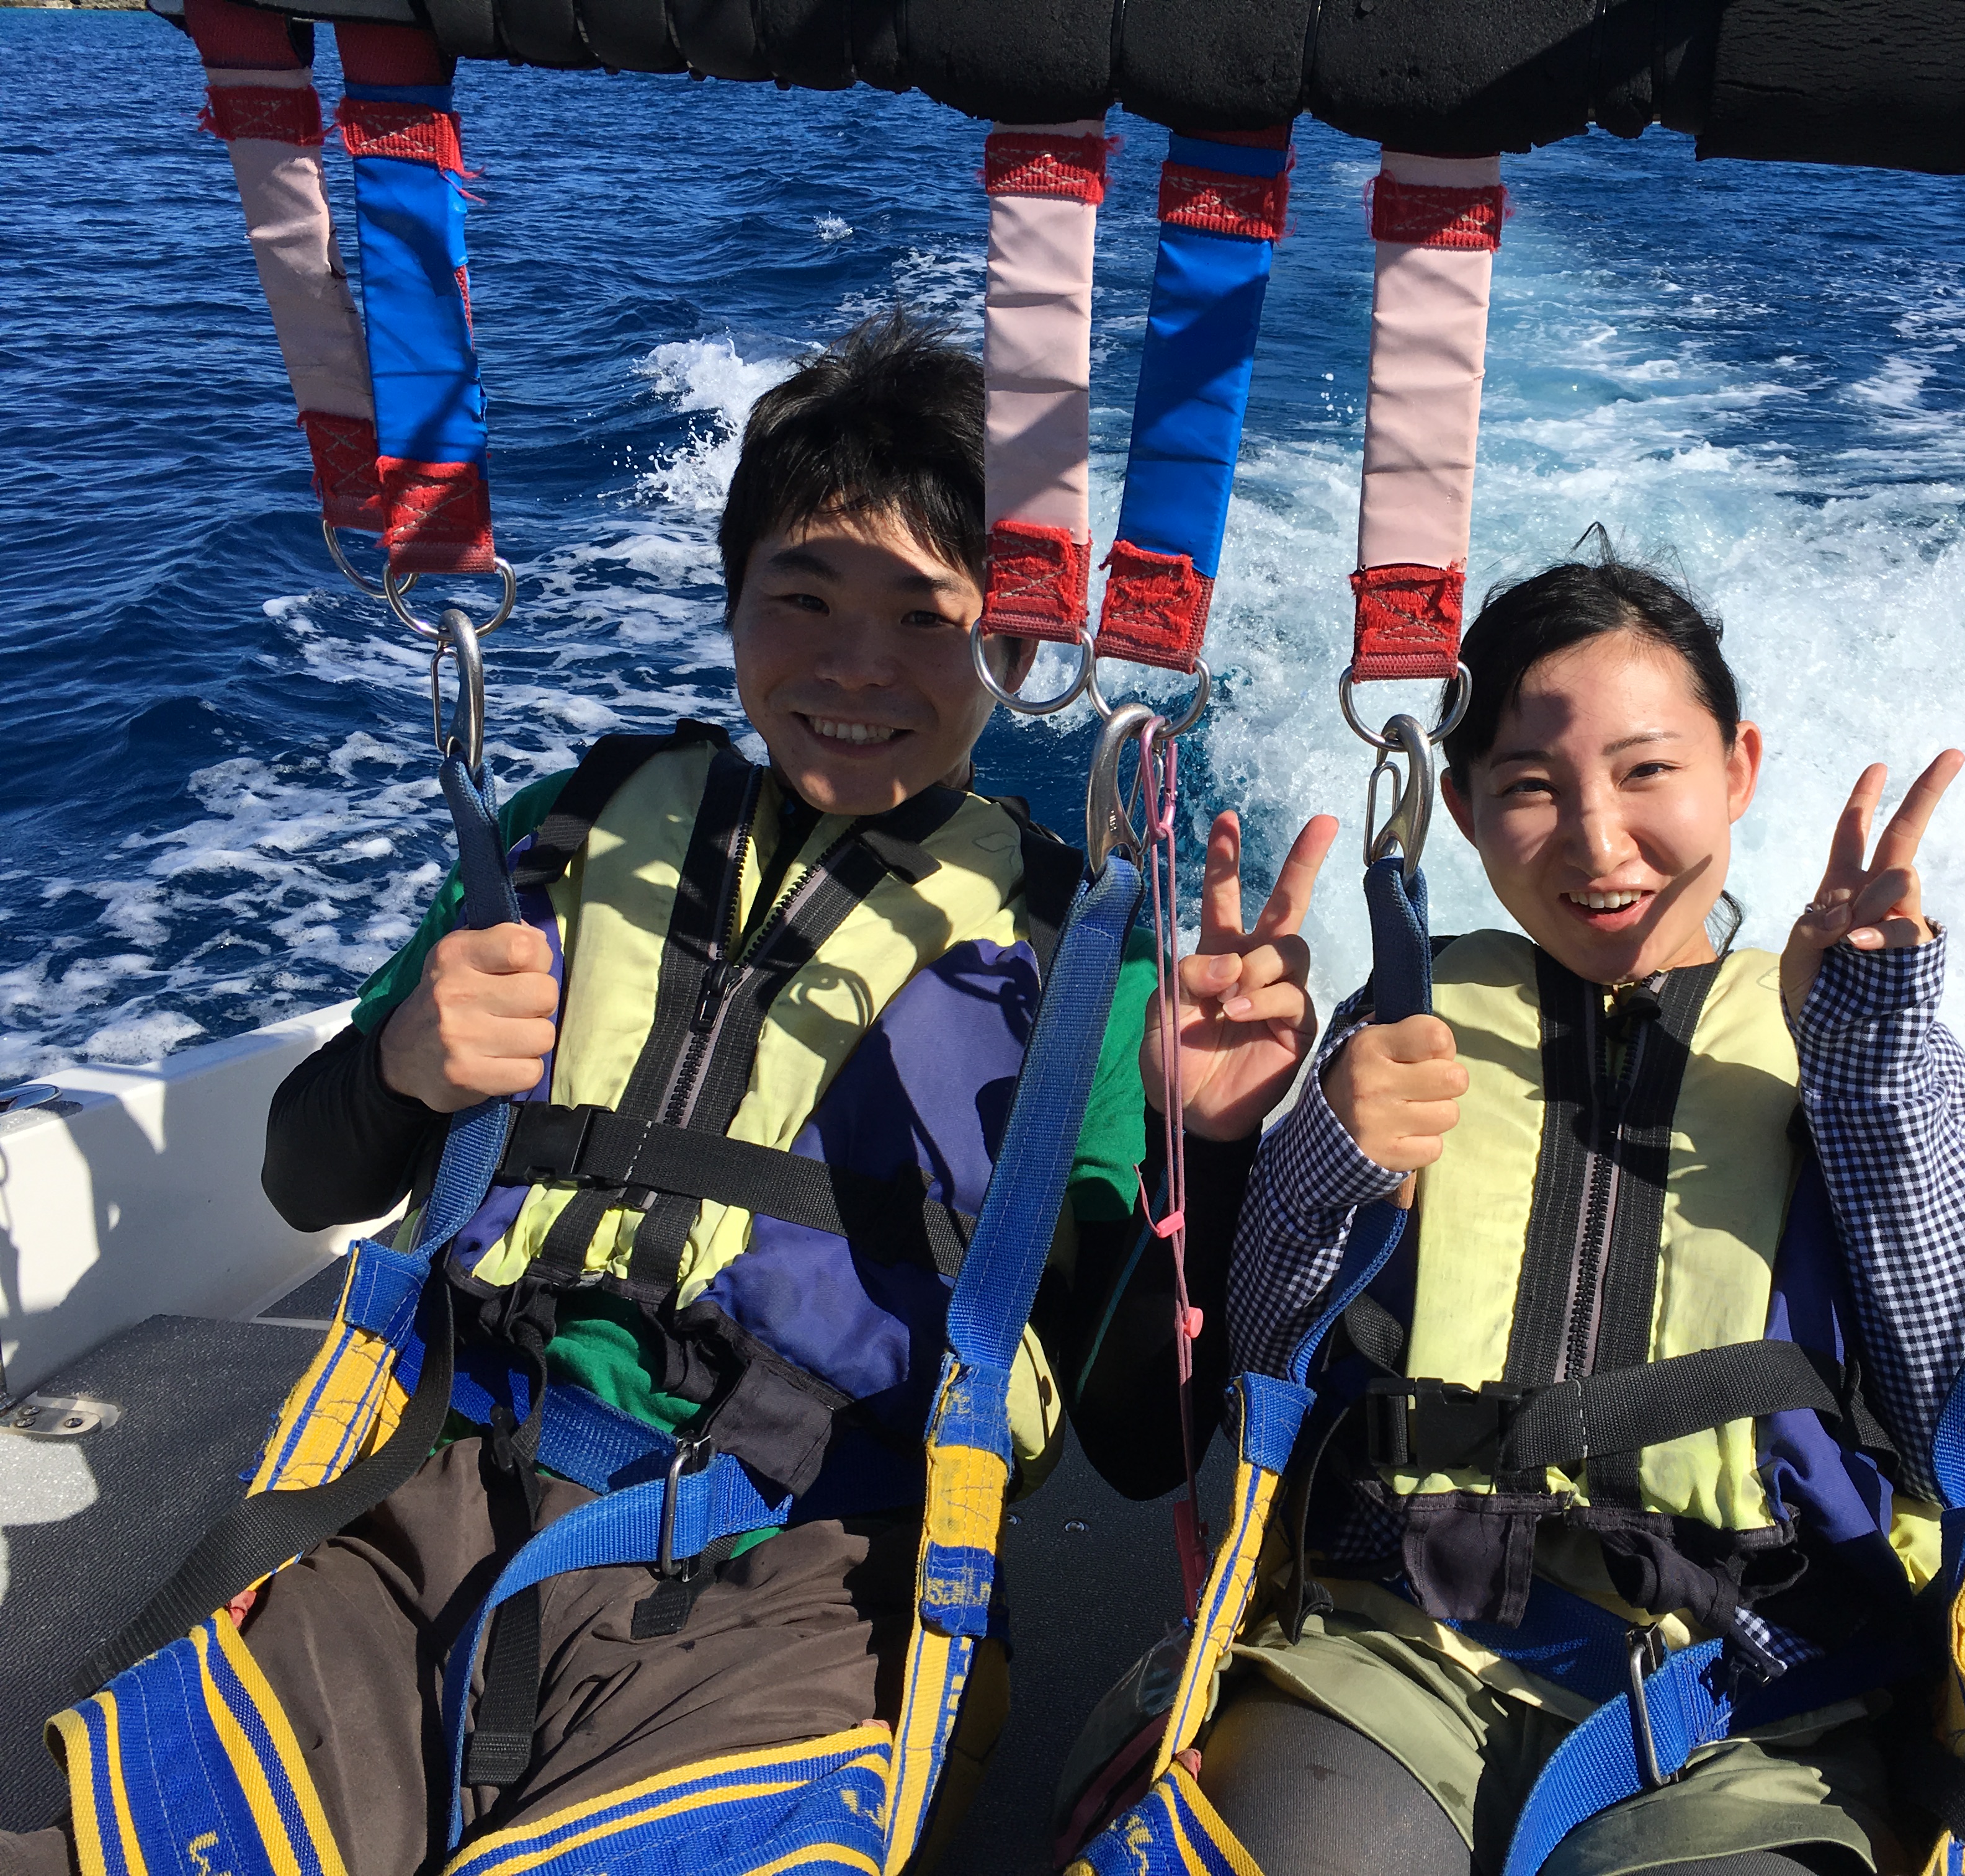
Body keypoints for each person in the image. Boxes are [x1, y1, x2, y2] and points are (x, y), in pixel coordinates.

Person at [4, 310, 1332, 1876]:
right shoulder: (569, 833)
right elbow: (309, 1179)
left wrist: (1212, 1141)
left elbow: (1136, 1442)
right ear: (729, 602)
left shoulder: (1087, 969)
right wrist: (404, 1062)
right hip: (437, 1492)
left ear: (1017, 653)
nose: (855, 666)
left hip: (814, 1579)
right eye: (803, 599)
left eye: (926, 620)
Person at [1183, 544, 1965, 1876]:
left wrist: (1869, 1072)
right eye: (1531, 787)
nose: (1599, 843)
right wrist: (1315, 1157)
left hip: (1759, 1700)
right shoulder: (1406, 1025)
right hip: (1396, 1648)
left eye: (1648, 771)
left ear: (1740, 771)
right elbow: (1261, 1378)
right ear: (1464, 812)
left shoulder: (1862, 1055)